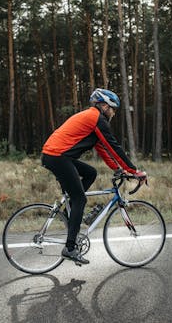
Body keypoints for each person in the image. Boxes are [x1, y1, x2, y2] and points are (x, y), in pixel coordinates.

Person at [41, 88, 147, 265]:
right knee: (80, 199)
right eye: (112, 109)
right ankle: (70, 248)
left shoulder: (92, 119)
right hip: (58, 157)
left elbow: (103, 149)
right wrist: (134, 170)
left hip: (55, 155)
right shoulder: (96, 118)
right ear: (104, 106)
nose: (113, 113)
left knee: (91, 173)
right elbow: (114, 146)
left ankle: (73, 212)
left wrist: (118, 169)